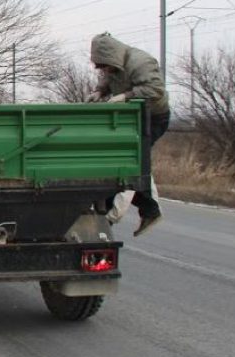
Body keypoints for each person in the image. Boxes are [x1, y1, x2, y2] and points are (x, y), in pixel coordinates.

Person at [87, 32, 171, 237]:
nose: (103, 70)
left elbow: (155, 89)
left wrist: (126, 96)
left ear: (111, 57)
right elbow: (108, 78)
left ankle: (118, 214)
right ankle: (145, 209)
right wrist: (100, 91)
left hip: (152, 116)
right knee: (122, 161)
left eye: (104, 65)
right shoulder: (115, 65)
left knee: (131, 162)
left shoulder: (141, 62)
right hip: (130, 118)